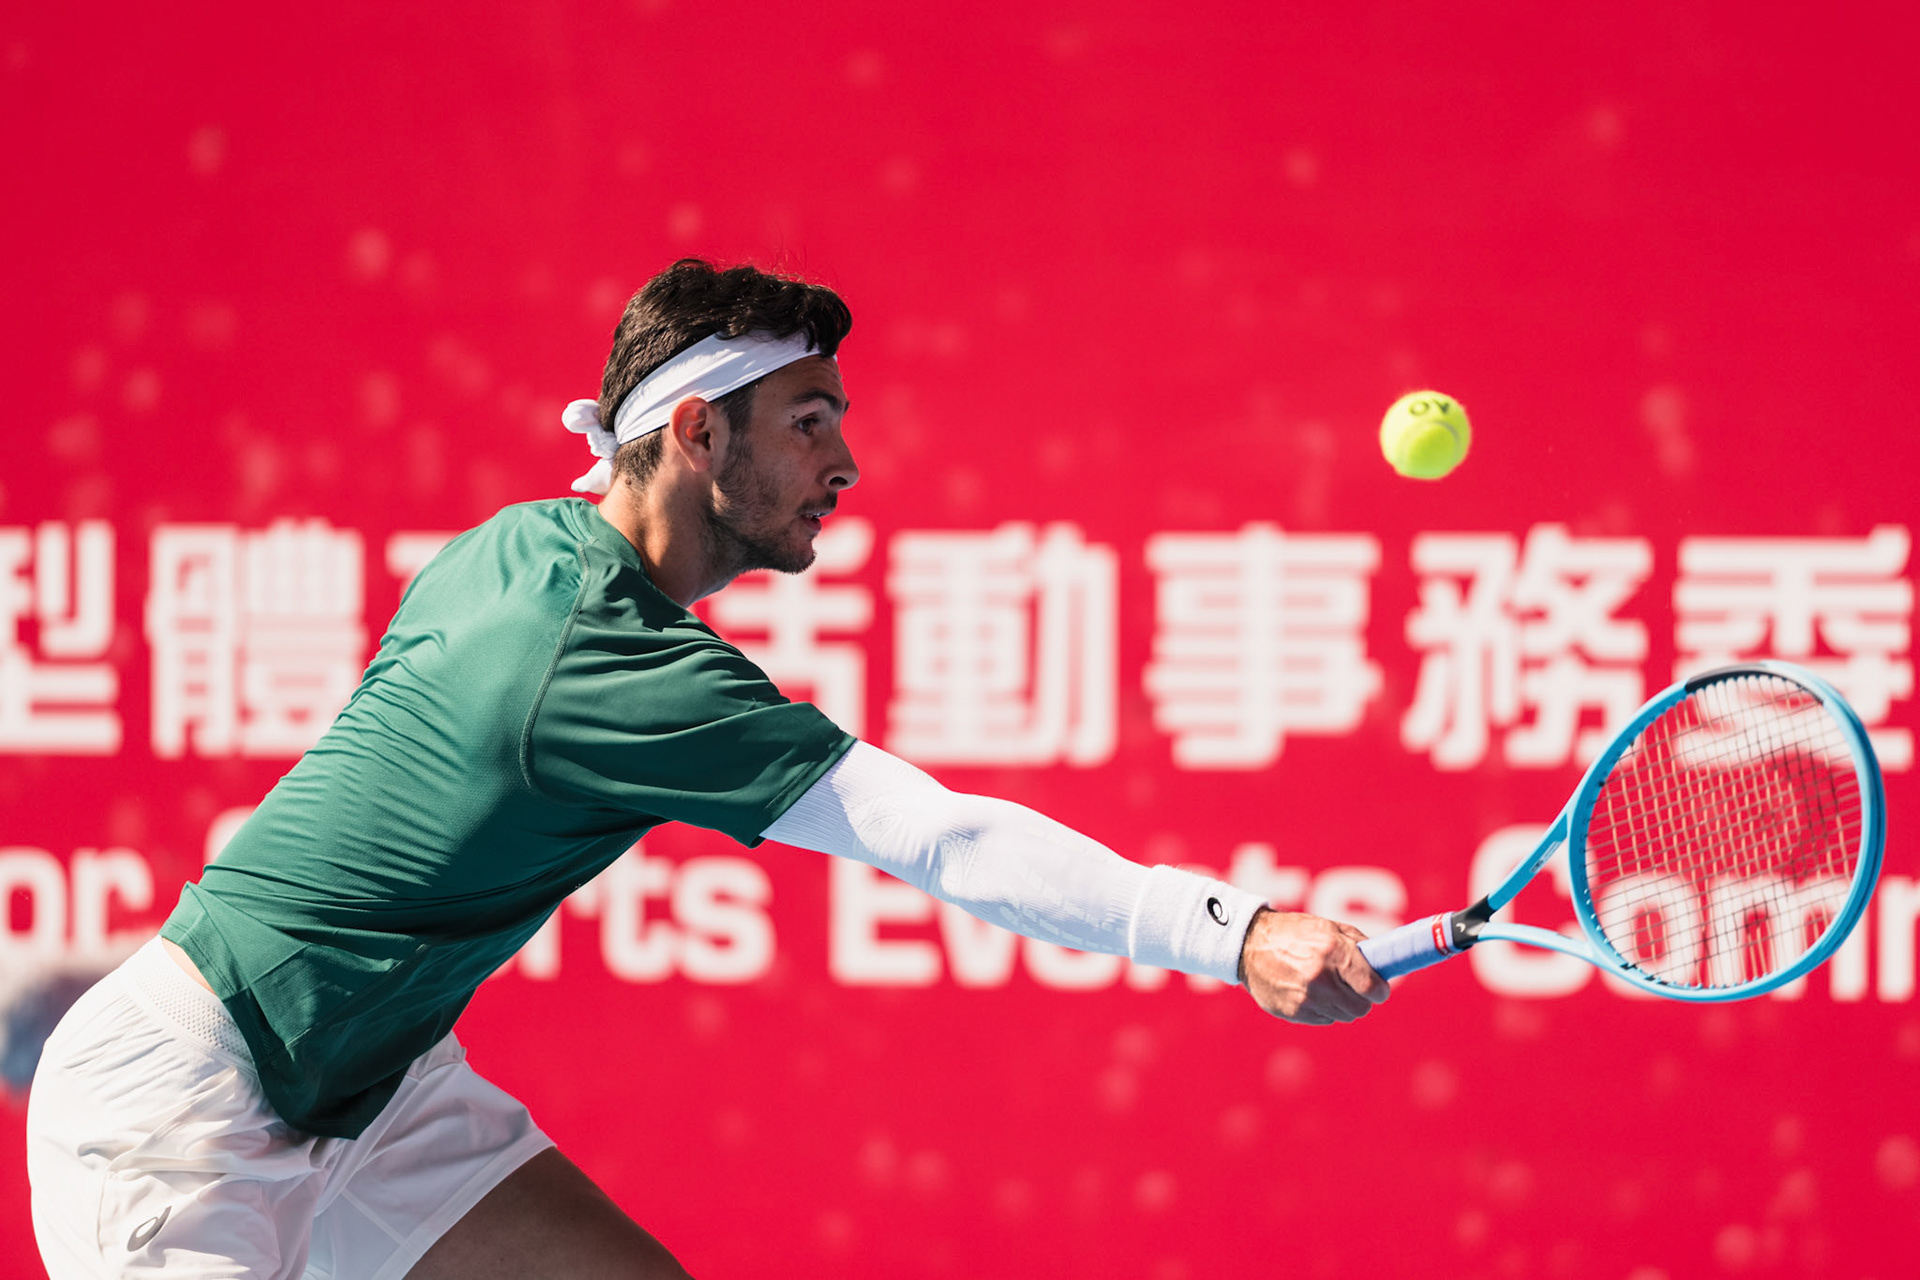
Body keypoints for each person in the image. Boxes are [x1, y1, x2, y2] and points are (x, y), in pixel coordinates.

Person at [25, 259, 1388, 1279]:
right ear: (695, 434)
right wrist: (1236, 931)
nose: (845, 462)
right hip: (184, 1111)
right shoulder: (605, 668)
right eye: (808, 421)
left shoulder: (523, 540)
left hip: (371, 1087)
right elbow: (944, 841)